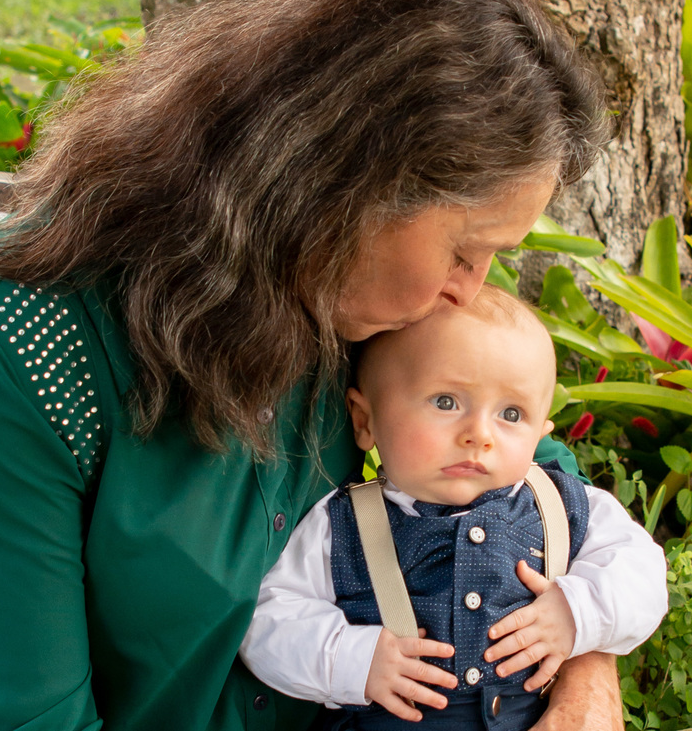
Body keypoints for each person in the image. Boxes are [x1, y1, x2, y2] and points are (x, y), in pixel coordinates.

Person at [0, 0, 620, 731]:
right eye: (463, 250)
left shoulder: (360, 288)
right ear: (349, 185)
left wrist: (586, 670)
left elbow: (533, 479)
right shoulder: (14, 349)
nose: (469, 291)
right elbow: (32, 720)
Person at [239, 286, 667, 730]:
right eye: (446, 402)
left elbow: (644, 573)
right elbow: (266, 617)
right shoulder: (343, 527)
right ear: (365, 421)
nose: (479, 434)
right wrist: (352, 659)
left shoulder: (561, 506)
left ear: (542, 431)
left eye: (512, 414)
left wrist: (577, 613)